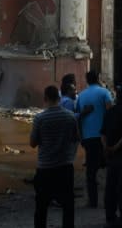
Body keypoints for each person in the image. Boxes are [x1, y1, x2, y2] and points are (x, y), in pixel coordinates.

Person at [31, 85, 79, 228]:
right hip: (65, 167)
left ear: (45, 98)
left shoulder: (40, 118)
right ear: (59, 99)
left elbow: (32, 143)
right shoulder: (70, 117)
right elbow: (76, 138)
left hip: (45, 168)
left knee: (41, 208)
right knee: (68, 207)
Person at [74, 69, 112, 208]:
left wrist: (81, 137)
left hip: (88, 138)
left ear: (87, 80)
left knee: (91, 172)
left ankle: (93, 201)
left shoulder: (81, 95)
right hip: (104, 137)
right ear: (98, 78)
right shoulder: (104, 92)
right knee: (109, 168)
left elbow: (78, 115)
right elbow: (110, 112)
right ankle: (111, 198)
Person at [101, 87, 122, 224]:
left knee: (111, 186)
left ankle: (110, 215)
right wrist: (114, 148)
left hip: (110, 155)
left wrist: (107, 148)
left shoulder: (109, 112)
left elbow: (102, 133)